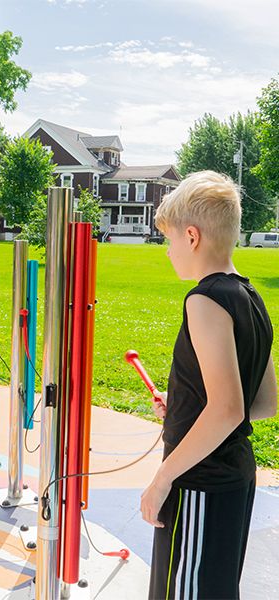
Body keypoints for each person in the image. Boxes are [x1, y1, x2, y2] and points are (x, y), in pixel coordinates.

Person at [142, 171, 277, 599]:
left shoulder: (205, 299)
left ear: (193, 236)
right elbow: (264, 401)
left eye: (170, 240)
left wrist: (162, 479)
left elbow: (226, 409)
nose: (168, 253)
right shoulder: (252, 299)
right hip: (235, 477)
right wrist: (184, 402)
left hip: (201, 483)